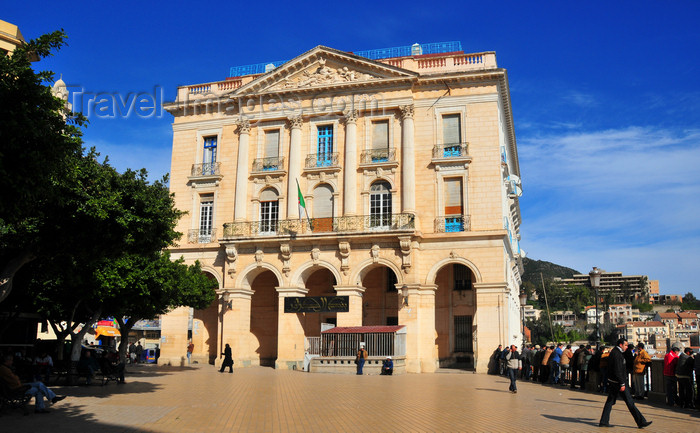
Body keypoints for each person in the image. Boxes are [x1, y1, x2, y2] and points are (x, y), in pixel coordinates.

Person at [598, 338, 652, 429]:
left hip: (613, 381)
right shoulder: (617, 354)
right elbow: (618, 370)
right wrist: (622, 383)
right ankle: (641, 421)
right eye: (626, 345)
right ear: (620, 345)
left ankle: (604, 421)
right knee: (630, 402)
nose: (627, 347)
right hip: (618, 383)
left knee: (610, 401)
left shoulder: (615, 352)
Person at [0, 354, 66, 413]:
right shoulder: (4, 369)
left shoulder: (5, 368)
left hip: (17, 386)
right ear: (7, 361)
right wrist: (17, 377)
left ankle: (52, 398)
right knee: (38, 389)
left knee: (39, 384)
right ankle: (42, 406)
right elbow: (15, 379)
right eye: (11, 360)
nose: (12, 362)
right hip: (16, 389)